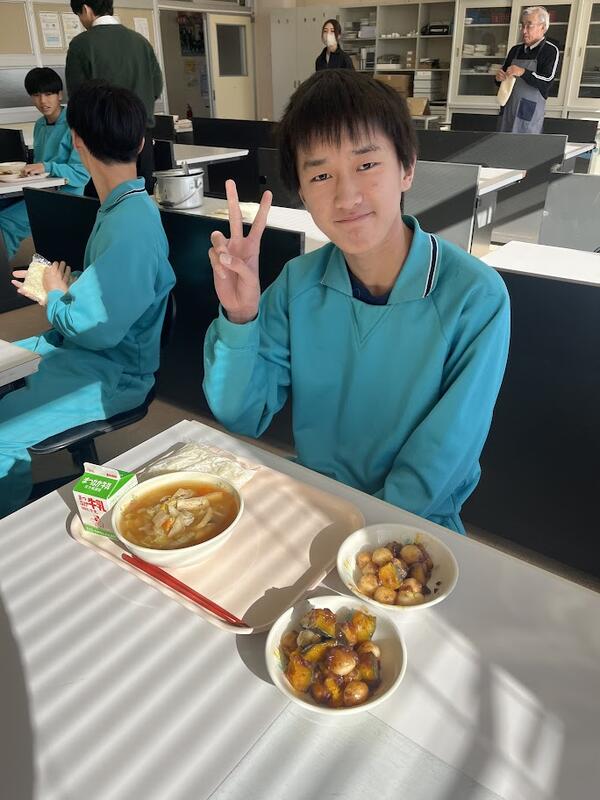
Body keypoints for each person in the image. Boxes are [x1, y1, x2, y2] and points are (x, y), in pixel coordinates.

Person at [202, 71, 510, 534]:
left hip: (412, 530)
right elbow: (241, 414)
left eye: (366, 164)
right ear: (302, 193)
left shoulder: (474, 296)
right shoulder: (297, 284)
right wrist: (241, 317)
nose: (346, 197)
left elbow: (442, 456)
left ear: (407, 168)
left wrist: (359, 537)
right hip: (315, 509)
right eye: (321, 174)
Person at [0, 81, 175, 518]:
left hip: (113, 374)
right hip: (88, 351)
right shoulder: (122, 207)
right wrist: (60, 286)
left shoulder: (129, 225)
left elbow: (97, 330)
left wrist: (56, 296)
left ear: (76, 140)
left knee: (1, 433)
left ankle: (12, 531)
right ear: (140, 141)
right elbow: (112, 291)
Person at [66, 0, 163, 193]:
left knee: (106, 202)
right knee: (143, 197)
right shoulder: (141, 42)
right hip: (140, 136)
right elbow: (157, 87)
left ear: (86, 9)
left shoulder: (81, 44)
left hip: (102, 141)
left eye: (79, 15)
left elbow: (78, 100)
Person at [0, 68, 89, 262]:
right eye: (36, 95)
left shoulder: (77, 124)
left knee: (5, 222)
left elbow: (81, 174)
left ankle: (2, 277)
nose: (43, 101)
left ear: (60, 95)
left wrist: (46, 167)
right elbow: (41, 169)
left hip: (66, 198)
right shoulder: (40, 124)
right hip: (40, 192)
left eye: (48, 94)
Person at [495, 6, 559, 134]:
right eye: (522, 25)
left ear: (543, 27)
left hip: (528, 111)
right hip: (508, 109)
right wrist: (499, 78)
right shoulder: (515, 50)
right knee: (502, 144)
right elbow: (503, 78)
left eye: (529, 25)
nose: (524, 30)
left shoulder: (550, 51)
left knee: (525, 145)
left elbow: (547, 82)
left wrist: (523, 72)